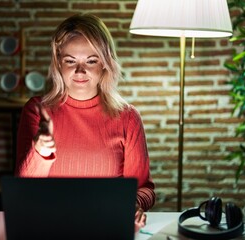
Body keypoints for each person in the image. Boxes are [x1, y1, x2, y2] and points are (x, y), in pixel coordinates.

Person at [15, 13, 156, 232]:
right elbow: (23, 192)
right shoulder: (36, 110)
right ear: (58, 63)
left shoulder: (128, 117)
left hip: (107, 226)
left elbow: (144, 189)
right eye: (70, 61)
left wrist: (134, 205)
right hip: (49, 227)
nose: (80, 71)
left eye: (91, 61)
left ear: (106, 64)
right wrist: (41, 151)